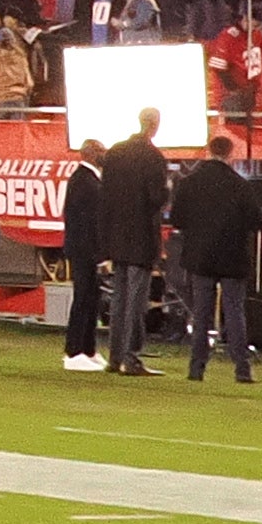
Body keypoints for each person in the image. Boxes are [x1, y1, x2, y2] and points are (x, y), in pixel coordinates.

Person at [169, 133, 262, 383]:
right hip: (233, 256)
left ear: (208, 151)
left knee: (201, 312)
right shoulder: (240, 185)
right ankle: (242, 369)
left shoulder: (190, 183)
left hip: (200, 257)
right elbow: (257, 221)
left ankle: (196, 368)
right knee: (234, 312)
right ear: (230, 154)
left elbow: (177, 219)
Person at [100, 106, 172, 374]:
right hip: (141, 237)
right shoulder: (153, 157)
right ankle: (130, 357)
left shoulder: (115, 153)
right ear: (154, 125)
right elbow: (155, 198)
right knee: (135, 301)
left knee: (119, 299)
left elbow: (105, 198)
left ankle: (115, 356)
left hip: (117, 237)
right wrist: (167, 192)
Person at [60, 135, 109, 372]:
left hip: (85, 249)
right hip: (83, 250)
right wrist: (99, 253)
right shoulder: (84, 181)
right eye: (101, 150)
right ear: (90, 153)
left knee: (91, 299)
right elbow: (88, 223)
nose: (104, 153)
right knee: (82, 298)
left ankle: (88, 349)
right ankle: (73, 350)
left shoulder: (89, 180)